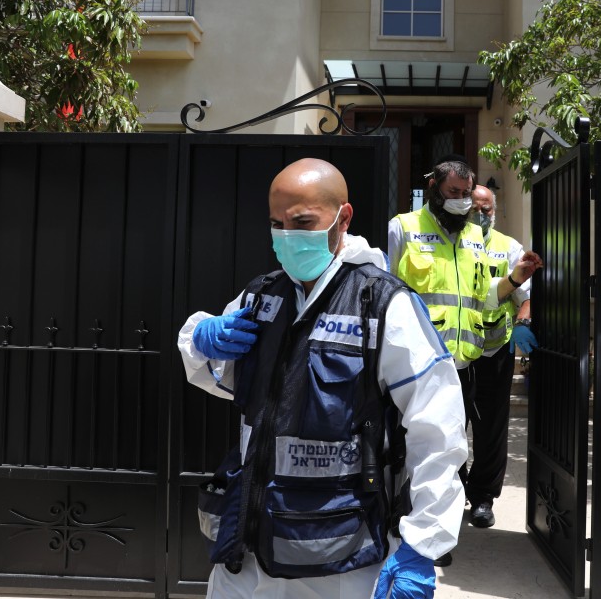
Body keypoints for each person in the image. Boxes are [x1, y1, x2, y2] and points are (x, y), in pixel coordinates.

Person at [177, 158, 468, 599]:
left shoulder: (383, 304)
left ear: (342, 218)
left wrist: (422, 546)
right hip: (248, 548)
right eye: (277, 223)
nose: (288, 235)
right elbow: (217, 371)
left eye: (303, 221)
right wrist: (201, 338)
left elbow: (438, 428)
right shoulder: (263, 295)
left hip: (340, 556)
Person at [387, 154, 542, 564]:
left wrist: (515, 281)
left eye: (465, 195)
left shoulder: (474, 238)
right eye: (453, 193)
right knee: (424, 449)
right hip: (418, 362)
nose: (460, 201)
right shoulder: (404, 228)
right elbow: (384, 291)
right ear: (435, 189)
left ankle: (440, 533)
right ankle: (421, 534)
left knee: (452, 447)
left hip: (465, 361)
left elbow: (483, 297)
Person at [461, 184, 539, 529]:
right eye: (475, 208)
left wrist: (524, 320)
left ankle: (482, 498)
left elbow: (526, 294)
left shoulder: (509, 247)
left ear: (495, 211)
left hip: (494, 351)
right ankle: (454, 488)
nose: (481, 214)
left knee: (490, 428)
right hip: (453, 350)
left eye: (487, 209)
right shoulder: (453, 244)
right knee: (447, 427)